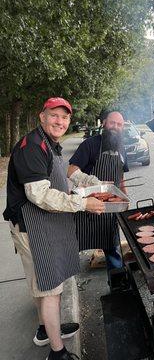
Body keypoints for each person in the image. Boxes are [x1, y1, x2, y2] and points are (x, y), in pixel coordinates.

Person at [3, 97, 105, 360]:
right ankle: (57, 352)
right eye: (54, 116)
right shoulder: (32, 147)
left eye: (65, 117)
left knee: (45, 284)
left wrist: (92, 184)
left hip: (45, 226)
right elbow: (41, 195)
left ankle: (47, 329)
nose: (60, 121)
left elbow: (62, 175)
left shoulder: (50, 144)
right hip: (32, 228)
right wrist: (82, 203)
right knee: (50, 290)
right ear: (42, 116)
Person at [67, 111, 129, 279]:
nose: (115, 127)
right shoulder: (90, 144)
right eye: (112, 123)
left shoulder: (122, 148)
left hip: (109, 210)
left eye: (119, 124)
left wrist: (126, 199)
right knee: (74, 245)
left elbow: (121, 178)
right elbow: (71, 171)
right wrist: (93, 181)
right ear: (104, 123)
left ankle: (117, 284)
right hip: (87, 208)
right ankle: (66, 277)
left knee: (112, 248)